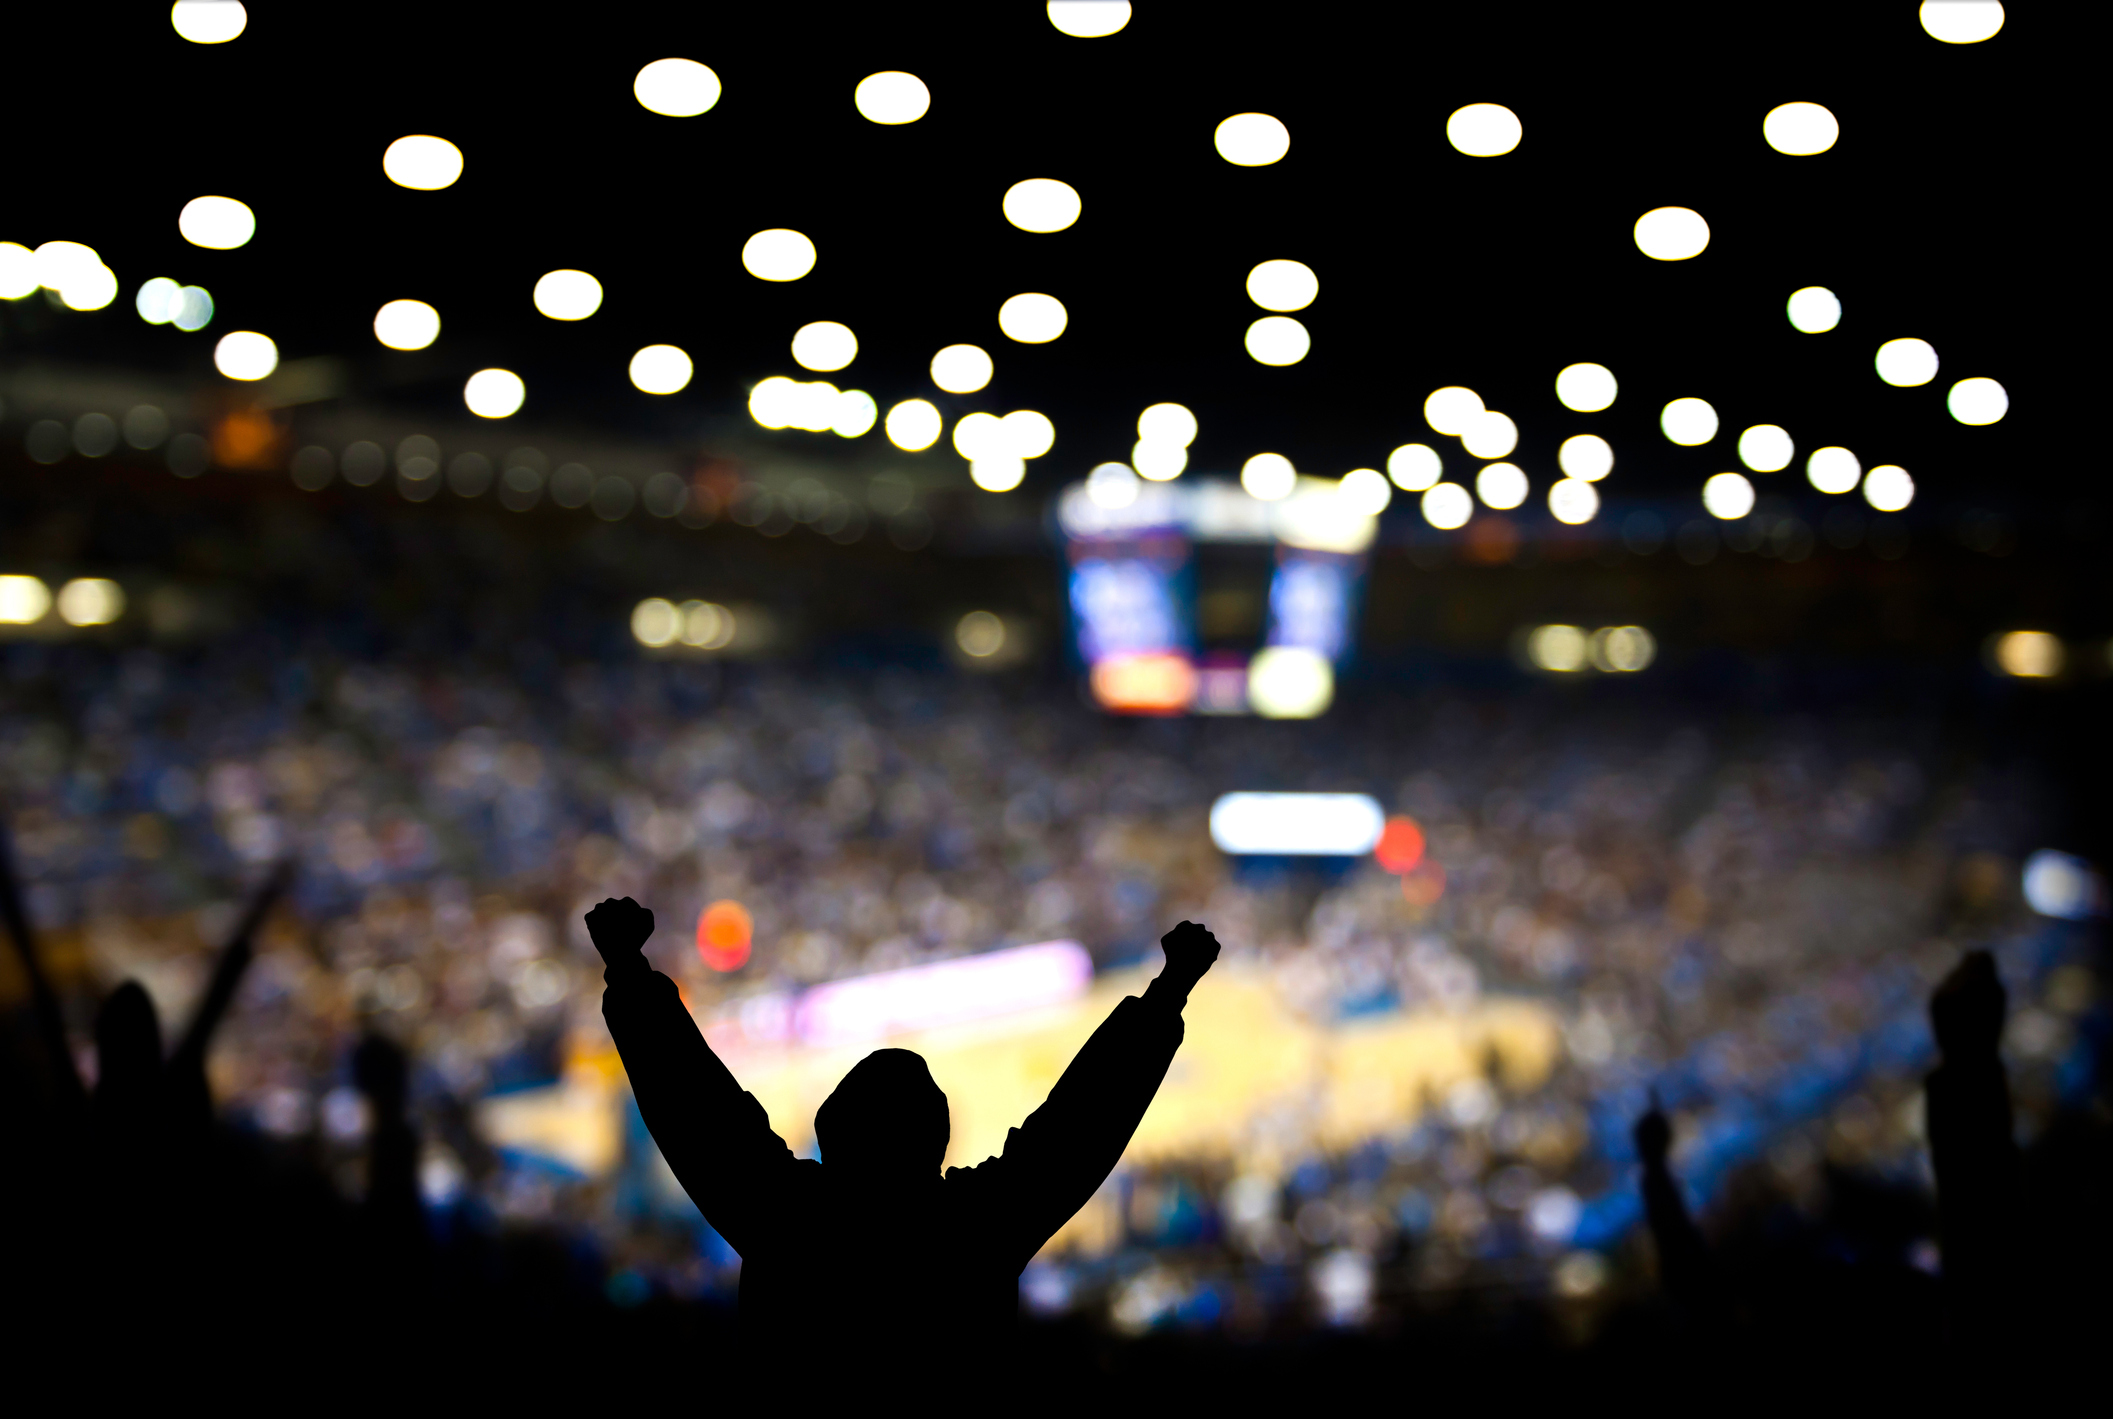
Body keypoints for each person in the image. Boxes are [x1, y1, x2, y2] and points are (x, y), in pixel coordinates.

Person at [588, 896, 1218, 1372]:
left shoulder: (782, 1215)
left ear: (829, 1132)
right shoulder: (978, 1227)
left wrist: (629, 970)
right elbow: (1080, 1126)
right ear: (940, 1137)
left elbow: (695, 1109)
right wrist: (1168, 995)